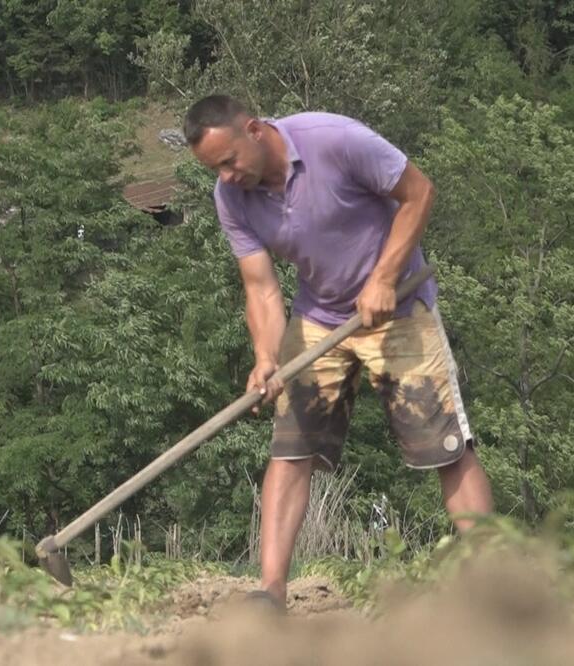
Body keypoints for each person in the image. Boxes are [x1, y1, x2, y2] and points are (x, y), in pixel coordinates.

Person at [183, 95, 493, 609]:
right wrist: (267, 358)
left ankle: (492, 578)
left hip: (400, 310)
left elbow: (419, 194)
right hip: (321, 316)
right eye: (215, 169)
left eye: (229, 160)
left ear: (254, 130)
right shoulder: (230, 198)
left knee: (445, 446)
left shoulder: (335, 139)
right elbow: (260, 288)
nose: (226, 176)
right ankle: (271, 593)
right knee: (290, 447)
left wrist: (384, 278)